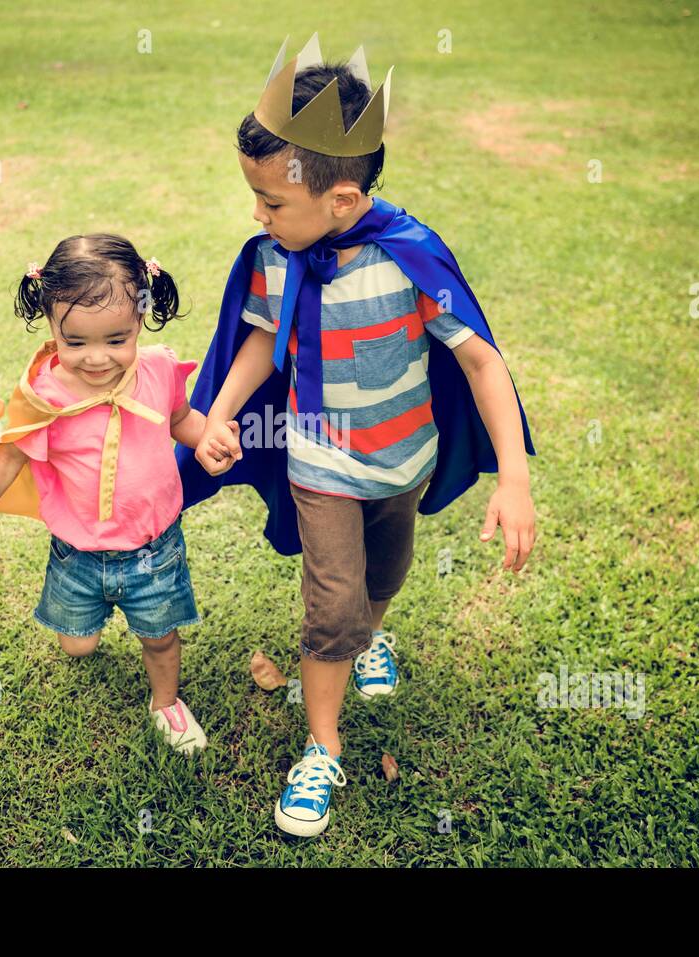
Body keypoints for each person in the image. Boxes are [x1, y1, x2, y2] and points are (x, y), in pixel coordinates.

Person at [177, 35, 538, 834]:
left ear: (340, 199)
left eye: (271, 201)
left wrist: (513, 474)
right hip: (320, 463)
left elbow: (480, 362)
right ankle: (323, 747)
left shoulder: (410, 259)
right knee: (332, 602)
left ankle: (373, 634)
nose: (258, 215)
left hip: (404, 460)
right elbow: (261, 340)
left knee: (388, 570)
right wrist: (225, 412)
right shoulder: (280, 256)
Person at [0, 234, 237, 755]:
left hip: (154, 549)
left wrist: (208, 437)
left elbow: (180, 419)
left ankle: (166, 704)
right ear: (52, 329)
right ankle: (87, 623)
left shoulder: (156, 370)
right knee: (78, 643)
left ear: (141, 319)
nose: (96, 359)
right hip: (76, 555)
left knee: (159, 637)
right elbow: (9, 456)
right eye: (76, 342)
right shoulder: (46, 397)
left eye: (116, 340)